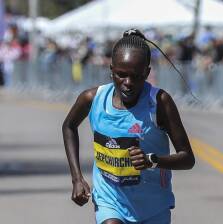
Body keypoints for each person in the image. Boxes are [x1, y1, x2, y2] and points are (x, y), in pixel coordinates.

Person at [62, 29, 195, 224]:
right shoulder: (93, 99)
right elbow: (69, 127)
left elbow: (187, 159)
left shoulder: (159, 103)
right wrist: (77, 178)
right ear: (111, 69)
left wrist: (152, 160)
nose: (127, 83)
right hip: (110, 200)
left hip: (153, 206)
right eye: (121, 75)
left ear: (147, 73)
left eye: (136, 76)